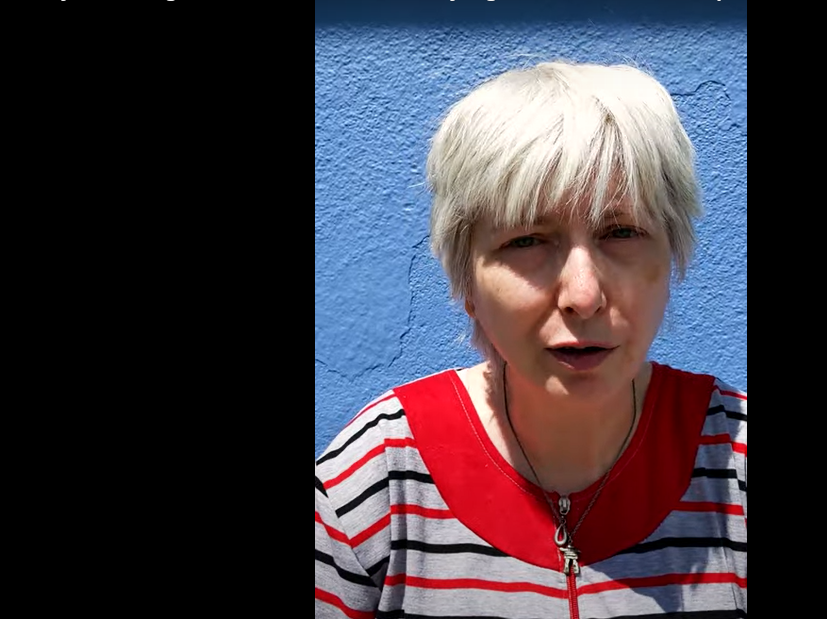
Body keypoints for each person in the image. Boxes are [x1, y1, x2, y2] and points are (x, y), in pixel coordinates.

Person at [314, 60, 747, 618]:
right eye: (527, 240)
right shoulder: (378, 477)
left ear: (672, 256)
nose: (583, 295)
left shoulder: (733, 464)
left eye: (621, 232)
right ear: (467, 280)